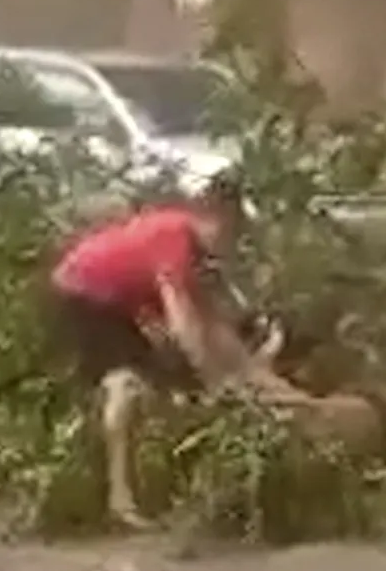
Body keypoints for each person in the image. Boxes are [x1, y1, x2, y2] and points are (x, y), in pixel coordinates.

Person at [45, 174, 253, 529]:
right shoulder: (175, 238)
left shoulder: (189, 242)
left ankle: (146, 473)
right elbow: (184, 322)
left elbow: (210, 324)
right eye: (232, 234)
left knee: (168, 370)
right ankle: (119, 500)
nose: (232, 245)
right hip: (84, 295)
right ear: (217, 220)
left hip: (116, 299)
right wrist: (216, 381)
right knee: (126, 383)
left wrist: (245, 373)